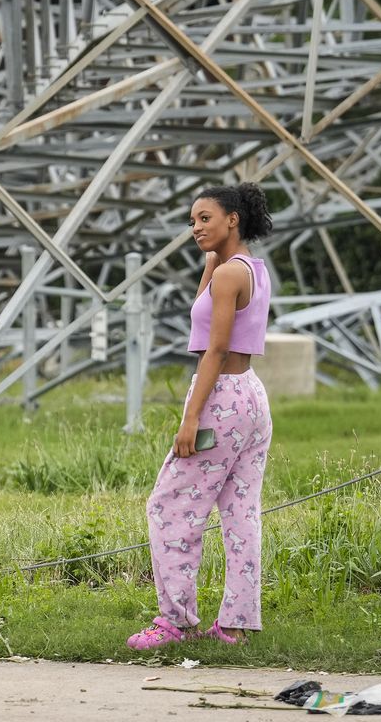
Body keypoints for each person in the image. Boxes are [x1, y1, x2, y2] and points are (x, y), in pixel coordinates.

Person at [128, 182, 276, 651]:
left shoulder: (230, 275)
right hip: (250, 397)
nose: (196, 228)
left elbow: (213, 347)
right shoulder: (249, 267)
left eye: (205, 218)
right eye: (192, 221)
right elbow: (203, 314)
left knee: (168, 505)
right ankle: (237, 624)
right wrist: (210, 263)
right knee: (240, 511)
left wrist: (190, 418)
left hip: (221, 400)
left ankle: (176, 620)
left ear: (233, 218)